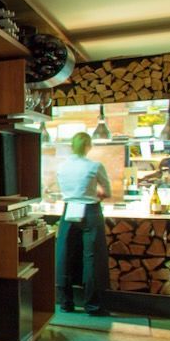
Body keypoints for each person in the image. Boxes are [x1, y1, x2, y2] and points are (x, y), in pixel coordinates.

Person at [55, 132, 112, 315]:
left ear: (72, 145)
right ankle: (93, 306)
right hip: (89, 211)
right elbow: (107, 192)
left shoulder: (62, 167)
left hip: (69, 210)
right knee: (92, 258)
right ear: (88, 146)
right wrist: (96, 195)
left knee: (64, 256)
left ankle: (65, 302)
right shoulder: (94, 166)